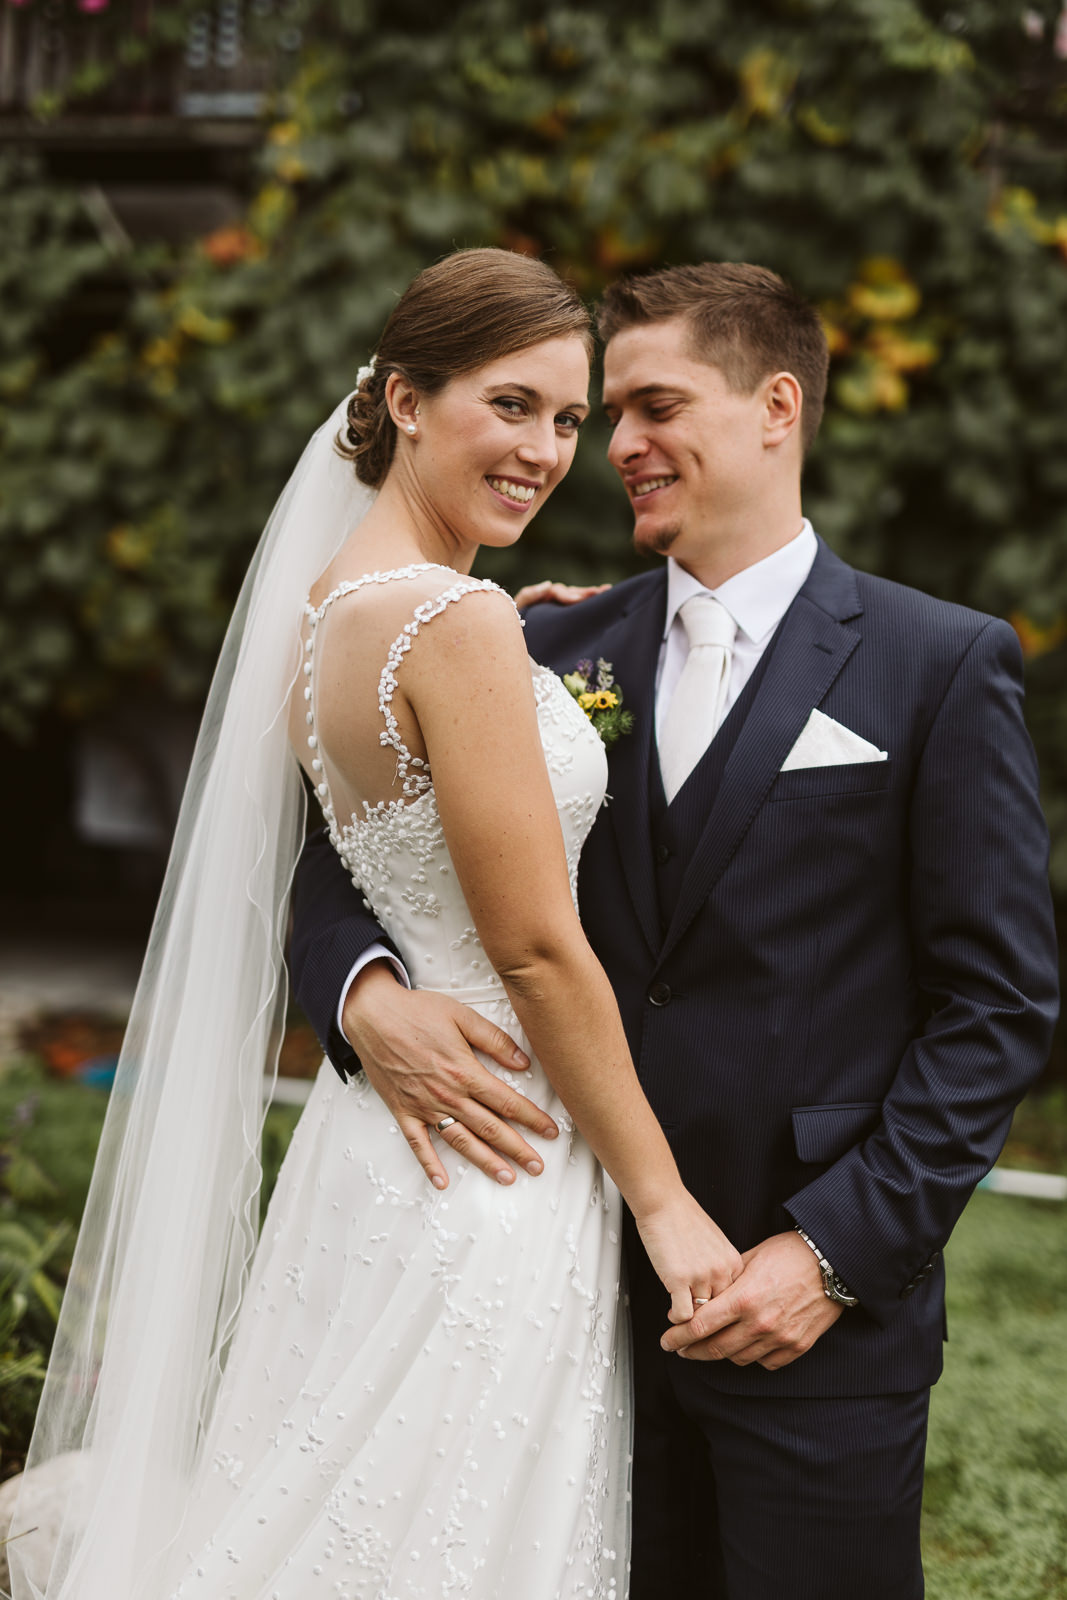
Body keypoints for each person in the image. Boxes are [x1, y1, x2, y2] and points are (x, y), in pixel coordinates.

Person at [289, 261, 1059, 1600]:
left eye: (650, 407)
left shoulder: (939, 664)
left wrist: (831, 1256)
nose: (618, 448)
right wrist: (362, 995)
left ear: (777, 407)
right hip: (562, 1289)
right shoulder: (540, 646)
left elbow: (997, 1006)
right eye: (610, 416)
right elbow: (341, 850)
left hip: (804, 1318)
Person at [10, 248, 744, 1600]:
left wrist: (510, 659)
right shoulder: (453, 622)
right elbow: (531, 947)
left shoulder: (332, 606)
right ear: (405, 399)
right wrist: (665, 1203)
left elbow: (390, 835)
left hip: (372, 1156)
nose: (546, 450)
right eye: (511, 406)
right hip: (497, 1146)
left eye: (571, 420)